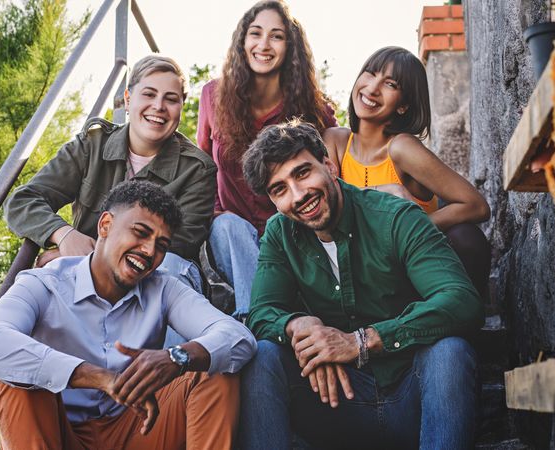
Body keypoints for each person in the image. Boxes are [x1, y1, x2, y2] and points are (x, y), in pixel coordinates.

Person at [238, 121, 484, 450]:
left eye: (302, 173)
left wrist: (363, 342)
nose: (298, 195)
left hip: (412, 396)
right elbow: (261, 313)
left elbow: (462, 301)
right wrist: (299, 326)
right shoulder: (280, 233)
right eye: (279, 189)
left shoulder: (395, 217)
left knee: (451, 352)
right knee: (263, 355)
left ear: (328, 165)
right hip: (338, 404)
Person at [0, 180, 256, 449]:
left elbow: (237, 337)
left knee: (214, 367)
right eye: (140, 232)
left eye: (161, 245)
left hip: (138, 428)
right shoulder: (45, 282)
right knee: (19, 379)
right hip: (57, 432)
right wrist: (101, 377)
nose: (149, 251)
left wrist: (178, 357)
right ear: (106, 225)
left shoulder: (163, 287)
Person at [5, 55, 216, 295]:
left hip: (151, 282)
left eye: (171, 99)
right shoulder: (91, 146)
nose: (159, 106)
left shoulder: (198, 170)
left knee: (171, 269)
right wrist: (64, 236)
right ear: (127, 100)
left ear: (181, 107)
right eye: (148, 94)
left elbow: (176, 246)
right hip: (83, 282)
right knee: (36, 281)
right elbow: (22, 201)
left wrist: (92, 256)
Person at [197, 0, 336, 320]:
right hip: (231, 232)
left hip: (293, 226)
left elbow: (335, 162)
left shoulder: (312, 105)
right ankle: (255, 318)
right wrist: (211, 212)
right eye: (255, 33)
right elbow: (202, 164)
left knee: (281, 227)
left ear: (291, 47)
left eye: (276, 36)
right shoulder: (212, 96)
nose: (264, 44)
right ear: (242, 42)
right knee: (230, 226)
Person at [322, 46, 491, 296]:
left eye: (390, 84)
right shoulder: (335, 142)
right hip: (363, 271)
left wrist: (410, 228)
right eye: (370, 73)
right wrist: (383, 190)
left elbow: (477, 206)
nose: (372, 88)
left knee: (468, 238)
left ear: (403, 106)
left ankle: (462, 315)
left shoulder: (401, 148)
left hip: (412, 267)